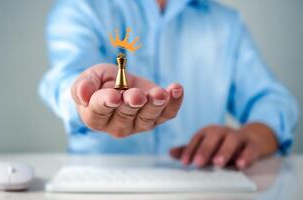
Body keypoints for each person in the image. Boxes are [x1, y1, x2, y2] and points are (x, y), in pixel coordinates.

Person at [39, 0, 299, 170]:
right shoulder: (82, 8)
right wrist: (82, 97)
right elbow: (66, 78)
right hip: (101, 183)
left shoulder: (227, 24)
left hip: (200, 184)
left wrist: (252, 136)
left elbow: (272, 100)